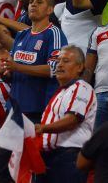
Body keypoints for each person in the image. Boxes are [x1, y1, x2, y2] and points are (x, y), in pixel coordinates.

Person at [0, 0, 68, 122]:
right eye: (31, 2)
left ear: (50, 9)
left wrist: (17, 67)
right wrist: (4, 71)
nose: (33, 5)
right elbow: (13, 73)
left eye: (39, 2)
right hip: (14, 109)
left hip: (39, 110)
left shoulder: (54, 33)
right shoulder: (22, 35)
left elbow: (55, 69)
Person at [35, 45, 97, 183]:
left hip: (69, 157)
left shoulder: (81, 87)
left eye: (66, 61)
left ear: (80, 67)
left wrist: (42, 128)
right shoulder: (61, 92)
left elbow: (72, 120)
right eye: (58, 61)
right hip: (49, 157)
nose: (60, 65)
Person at [83, 0, 108, 129]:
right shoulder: (99, 32)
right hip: (101, 94)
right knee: (99, 144)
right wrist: (83, 93)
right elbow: (88, 68)